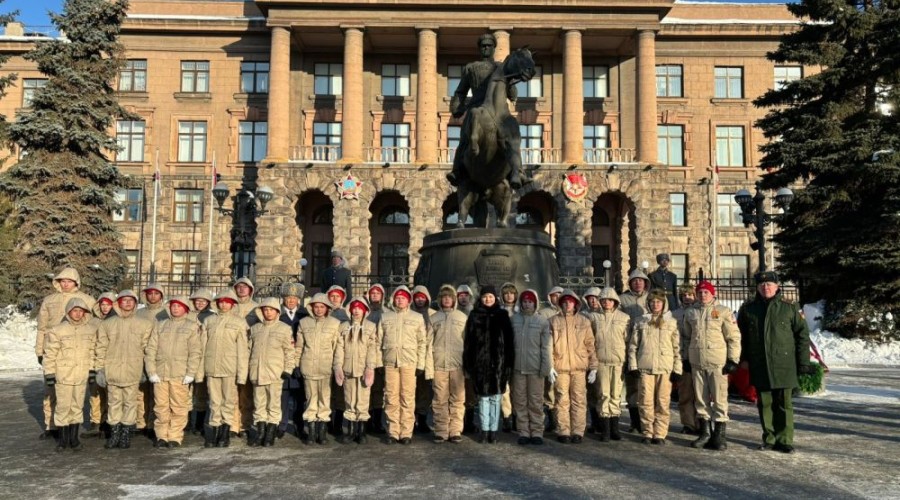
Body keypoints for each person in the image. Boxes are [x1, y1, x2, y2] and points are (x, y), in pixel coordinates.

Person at [738, 271, 813, 454]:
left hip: (783, 364)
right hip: (760, 362)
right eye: (762, 285)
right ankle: (769, 438)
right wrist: (743, 359)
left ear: (777, 286)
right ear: (757, 287)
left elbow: (802, 336)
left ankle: (785, 440)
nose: (766, 287)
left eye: (769, 284)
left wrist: (803, 362)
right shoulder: (748, 309)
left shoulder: (790, 307)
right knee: (764, 403)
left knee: (783, 403)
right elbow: (741, 337)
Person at [447, 33, 527, 189]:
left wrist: (511, 83)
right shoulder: (470, 68)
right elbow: (461, 91)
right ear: (479, 48)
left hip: (499, 111)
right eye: (483, 46)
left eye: (489, 45)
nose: (486, 48)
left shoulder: (501, 67)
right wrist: (456, 107)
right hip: (476, 107)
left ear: (494, 48)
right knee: (465, 137)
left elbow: (512, 93)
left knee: (513, 136)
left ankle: (518, 171)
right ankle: (457, 169)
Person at [35, 267, 95, 440]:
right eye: (63, 281)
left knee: (77, 394)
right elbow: (42, 327)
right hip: (53, 349)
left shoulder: (87, 300)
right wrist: (39, 350)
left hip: (77, 351)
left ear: (76, 282)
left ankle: (84, 426)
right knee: (50, 391)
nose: (66, 284)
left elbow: (95, 322)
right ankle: (51, 425)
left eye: (69, 281)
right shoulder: (49, 300)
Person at [682, 280, 741, 451]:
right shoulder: (691, 312)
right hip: (697, 362)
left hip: (717, 363)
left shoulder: (723, 311)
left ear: (712, 294)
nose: (703, 295)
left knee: (719, 398)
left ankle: (719, 435)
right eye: (700, 292)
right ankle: (705, 433)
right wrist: (686, 358)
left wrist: (733, 360)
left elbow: (733, 337)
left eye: (706, 292)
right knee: (701, 399)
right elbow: (686, 337)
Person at [94, 290, 155, 450]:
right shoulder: (107, 324)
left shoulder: (144, 324)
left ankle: (125, 434)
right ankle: (114, 434)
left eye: (130, 300)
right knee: (113, 402)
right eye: (124, 300)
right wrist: (99, 369)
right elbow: (101, 347)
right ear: (118, 303)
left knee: (130, 402)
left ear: (135, 303)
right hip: (112, 370)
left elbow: (147, 349)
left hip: (133, 370)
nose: (127, 303)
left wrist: (145, 369)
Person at [145, 296, 203, 449]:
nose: (175, 309)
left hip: (180, 374)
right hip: (160, 374)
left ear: (185, 308)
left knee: (179, 407)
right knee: (161, 406)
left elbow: (195, 352)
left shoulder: (191, 327)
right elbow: (151, 349)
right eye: (173, 306)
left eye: (179, 306)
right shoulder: (160, 325)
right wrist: (151, 371)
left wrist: (190, 373)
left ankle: (175, 436)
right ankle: (161, 436)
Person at [42, 298, 99, 452]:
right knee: (63, 407)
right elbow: (50, 353)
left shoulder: (90, 330)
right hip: (64, 376)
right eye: (75, 311)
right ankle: (62, 440)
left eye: (81, 311)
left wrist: (92, 370)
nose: (78, 314)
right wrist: (49, 373)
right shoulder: (58, 330)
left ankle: (74, 439)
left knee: (77, 407)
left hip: (81, 376)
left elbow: (92, 352)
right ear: (68, 312)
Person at [627, 289, 681, 445]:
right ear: (648, 304)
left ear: (663, 304)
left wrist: (677, 369)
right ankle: (647, 432)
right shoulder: (641, 321)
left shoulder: (671, 322)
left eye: (658, 302)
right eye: (652, 302)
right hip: (645, 368)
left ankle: (660, 433)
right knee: (645, 401)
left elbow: (677, 347)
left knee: (662, 402)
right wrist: (633, 366)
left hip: (665, 368)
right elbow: (633, 346)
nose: (655, 304)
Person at [463, 285, 515, 444]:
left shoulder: (502, 315)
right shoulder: (474, 315)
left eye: (490, 296)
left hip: (498, 365)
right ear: (481, 298)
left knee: (496, 399)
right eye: (485, 296)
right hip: (480, 365)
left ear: (495, 298)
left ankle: (493, 430)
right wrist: (469, 363)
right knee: (483, 399)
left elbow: (509, 343)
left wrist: (508, 365)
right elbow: (469, 342)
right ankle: (484, 430)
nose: (488, 299)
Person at [377, 286, 427, 445]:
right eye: (397, 298)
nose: (400, 300)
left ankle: (406, 432)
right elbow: (378, 341)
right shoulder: (385, 317)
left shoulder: (417, 317)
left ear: (408, 300)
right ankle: (393, 431)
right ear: (393, 299)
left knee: (407, 397)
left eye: (403, 298)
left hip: (409, 362)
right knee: (391, 397)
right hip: (390, 362)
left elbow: (422, 343)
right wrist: (379, 362)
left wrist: (420, 364)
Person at [200, 289, 249, 448]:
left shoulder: (239, 322)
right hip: (212, 366)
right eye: (221, 302)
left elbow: (242, 351)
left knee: (228, 401)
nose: (223, 305)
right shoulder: (209, 321)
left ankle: (225, 432)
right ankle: (214, 430)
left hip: (229, 368)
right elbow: (202, 347)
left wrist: (242, 374)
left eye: (227, 302)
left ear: (232, 304)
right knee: (214, 401)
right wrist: (200, 371)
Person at [548, 289, 597, 444]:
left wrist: (593, 367)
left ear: (575, 303)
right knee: (561, 400)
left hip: (579, 367)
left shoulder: (584, 321)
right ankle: (563, 430)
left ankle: (577, 431)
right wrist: (550, 366)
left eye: (570, 301)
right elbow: (548, 346)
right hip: (560, 367)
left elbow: (590, 345)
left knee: (579, 400)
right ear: (560, 303)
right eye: (564, 302)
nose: (567, 304)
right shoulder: (553, 321)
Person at [248, 297, 296, 447]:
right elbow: (249, 350)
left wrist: (287, 369)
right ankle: (260, 432)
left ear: (277, 312)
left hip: (275, 373)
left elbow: (289, 351)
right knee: (259, 403)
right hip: (257, 372)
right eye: (265, 310)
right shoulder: (255, 329)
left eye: (271, 310)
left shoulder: (284, 328)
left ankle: (270, 433)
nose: (268, 312)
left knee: (273, 404)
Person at [297, 293, 342, 445]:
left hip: (325, 367)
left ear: (327, 308)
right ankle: (311, 431)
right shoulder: (304, 323)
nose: (319, 309)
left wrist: (336, 366)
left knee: (324, 399)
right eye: (316, 306)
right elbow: (299, 346)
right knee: (311, 399)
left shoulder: (334, 323)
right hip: (308, 366)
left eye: (322, 307)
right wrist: (296, 364)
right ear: (311, 307)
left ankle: (322, 432)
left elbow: (337, 348)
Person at [426, 285, 468, 444]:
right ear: (440, 299)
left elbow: (468, 343)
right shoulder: (434, 318)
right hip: (439, 365)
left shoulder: (462, 318)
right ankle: (441, 430)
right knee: (439, 399)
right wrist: (429, 366)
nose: (447, 299)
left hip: (458, 365)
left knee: (457, 399)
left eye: (449, 297)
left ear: (454, 299)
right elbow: (428, 344)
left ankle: (455, 430)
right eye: (444, 297)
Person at [510, 289, 551, 445]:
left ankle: (537, 432)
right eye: (525, 302)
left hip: (535, 368)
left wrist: (545, 367)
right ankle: (524, 431)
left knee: (535, 401)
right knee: (520, 401)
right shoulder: (514, 320)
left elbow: (546, 347)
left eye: (530, 302)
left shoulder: (542, 321)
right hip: (518, 368)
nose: (527, 304)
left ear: (535, 303)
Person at [589, 287, 631, 442]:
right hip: (601, 361)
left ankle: (615, 429)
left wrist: (628, 361)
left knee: (616, 394)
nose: (607, 302)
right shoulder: (593, 317)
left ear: (615, 301)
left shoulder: (624, 318)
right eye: (604, 300)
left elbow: (628, 340)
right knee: (603, 394)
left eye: (610, 300)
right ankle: (605, 429)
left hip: (618, 361)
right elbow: (590, 341)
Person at [336, 297, 378, 444]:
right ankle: (351, 431)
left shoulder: (370, 327)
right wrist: (338, 366)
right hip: (348, 369)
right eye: (354, 308)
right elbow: (339, 348)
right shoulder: (343, 327)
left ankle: (362, 431)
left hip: (363, 370)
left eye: (359, 308)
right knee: (349, 400)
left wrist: (370, 367)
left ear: (365, 310)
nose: (356, 311)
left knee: (363, 400)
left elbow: (372, 349)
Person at [619, 269, 651, 433]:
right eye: (634, 280)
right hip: (628, 345)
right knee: (632, 385)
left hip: (647, 346)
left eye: (641, 280)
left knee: (647, 387)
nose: (638, 283)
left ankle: (648, 421)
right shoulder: (622, 299)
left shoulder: (651, 298)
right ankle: (635, 421)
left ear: (645, 283)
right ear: (630, 283)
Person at [136, 283, 166, 438]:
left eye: (156, 293)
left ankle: (153, 422)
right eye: (150, 293)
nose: (153, 296)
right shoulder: (139, 313)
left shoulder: (166, 312)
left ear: (161, 295)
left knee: (156, 392)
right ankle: (141, 422)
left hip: (158, 356)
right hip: (140, 354)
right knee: (141, 391)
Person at [85, 292, 116, 439]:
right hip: (94, 360)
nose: (105, 307)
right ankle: (95, 422)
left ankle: (108, 422)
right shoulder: (92, 322)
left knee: (110, 394)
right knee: (95, 393)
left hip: (111, 361)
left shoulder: (116, 321)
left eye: (108, 304)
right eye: (102, 304)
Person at [278, 282, 307, 439]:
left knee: (299, 397)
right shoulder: (278, 315)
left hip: (299, 360)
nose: (291, 301)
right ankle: (281, 425)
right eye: (288, 297)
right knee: (282, 396)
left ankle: (298, 426)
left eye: (294, 298)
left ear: (298, 300)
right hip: (282, 360)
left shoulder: (304, 316)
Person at [672, 282, 700, 435]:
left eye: (690, 295)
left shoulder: (698, 311)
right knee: (685, 393)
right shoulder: (675, 314)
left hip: (698, 356)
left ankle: (702, 422)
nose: (687, 298)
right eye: (684, 295)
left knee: (700, 394)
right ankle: (688, 423)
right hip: (682, 356)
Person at [232, 277, 258, 437]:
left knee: (246, 392)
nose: (241, 289)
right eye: (239, 286)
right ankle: (233, 425)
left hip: (248, 352)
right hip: (230, 352)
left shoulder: (256, 308)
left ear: (250, 290)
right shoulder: (230, 306)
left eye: (245, 287)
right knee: (232, 392)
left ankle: (245, 424)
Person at [188, 288, 215, 436]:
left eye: (203, 301)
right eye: (197, 301)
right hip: (187, 355)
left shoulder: (211, 317)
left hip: (204, 355)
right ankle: (186, 422)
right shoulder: (187, 315)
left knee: (201, 392)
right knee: (186, 392)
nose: (200, 303)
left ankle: (199, 424)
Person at [411, 285, 436, 434]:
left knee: (425, 390)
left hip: (427, 357)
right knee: (410, 389)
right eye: (417, 297)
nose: (420, 300)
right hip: (411, 356)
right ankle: (411, 420)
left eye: (422, 297)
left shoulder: (433, 314)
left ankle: (422, 418)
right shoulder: (410, 313)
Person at [365, 283, 388, 435]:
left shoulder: (386, 313)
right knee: (366, 389)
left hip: (379, 356)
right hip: (365, 356)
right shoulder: (364, 312)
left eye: (377, 293)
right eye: (372, 293)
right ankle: (367, 421)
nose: (374, 295)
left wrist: (381, 361)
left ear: (382, 296)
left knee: (378, 390)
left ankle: (378, 421)